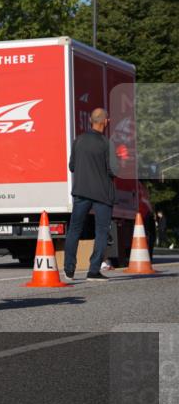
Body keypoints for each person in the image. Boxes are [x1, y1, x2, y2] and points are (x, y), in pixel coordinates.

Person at [63, 108, 119, 281]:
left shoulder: (78, 140)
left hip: (81, 192)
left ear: (91, 121)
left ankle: (69, 269)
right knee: (101, 231)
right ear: (105, 121)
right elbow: (113, 170)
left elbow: (72, 166)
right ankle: (93, 270)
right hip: (102, 194)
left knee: (74, 229)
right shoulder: (107, 143)